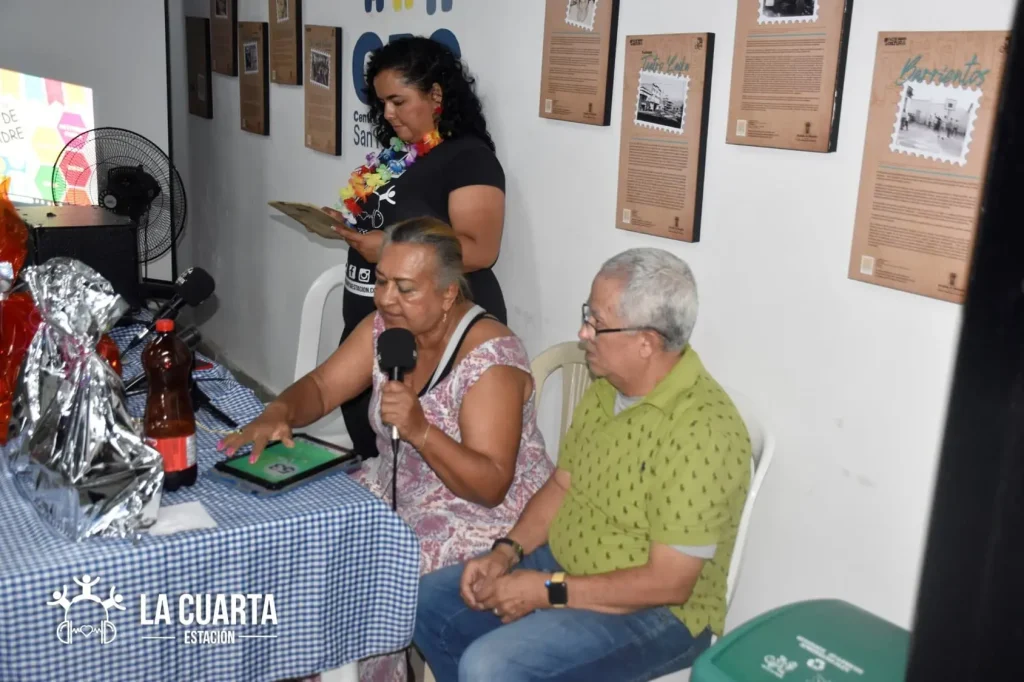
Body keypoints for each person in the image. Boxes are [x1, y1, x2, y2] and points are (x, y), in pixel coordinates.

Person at [220, 217, 551, 682]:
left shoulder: (490, 358)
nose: (386, 299)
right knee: (297, 536)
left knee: (362, 575)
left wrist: (421, 431)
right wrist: (281, 411)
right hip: (398, 485)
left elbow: (491, 484)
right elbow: (320, 385)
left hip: (482, 518)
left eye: (405, 288)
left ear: (448, 294)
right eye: (381, 281)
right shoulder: (385, 330)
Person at [413, 248, 753, 682]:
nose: (583, 331)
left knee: (490, 666)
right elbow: (561, 487)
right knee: (430, 605)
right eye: (586, 314)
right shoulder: (607, 387)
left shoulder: (704, 431)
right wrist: (506, 552)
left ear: (646, 342)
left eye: (596, 322)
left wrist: (547, 592)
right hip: (565, 566)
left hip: (661, 615)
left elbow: (669, 583)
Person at [324, 36, 507, 460]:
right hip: (371, 331)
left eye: (398, 101)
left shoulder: (469, 159)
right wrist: (348, 227)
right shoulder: (400, 156)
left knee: (413, 471)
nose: (387, 114)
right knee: (374, 457)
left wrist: (385, 248)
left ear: (436, 94)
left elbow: (480, 250)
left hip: (430, 338)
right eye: (382, 103)